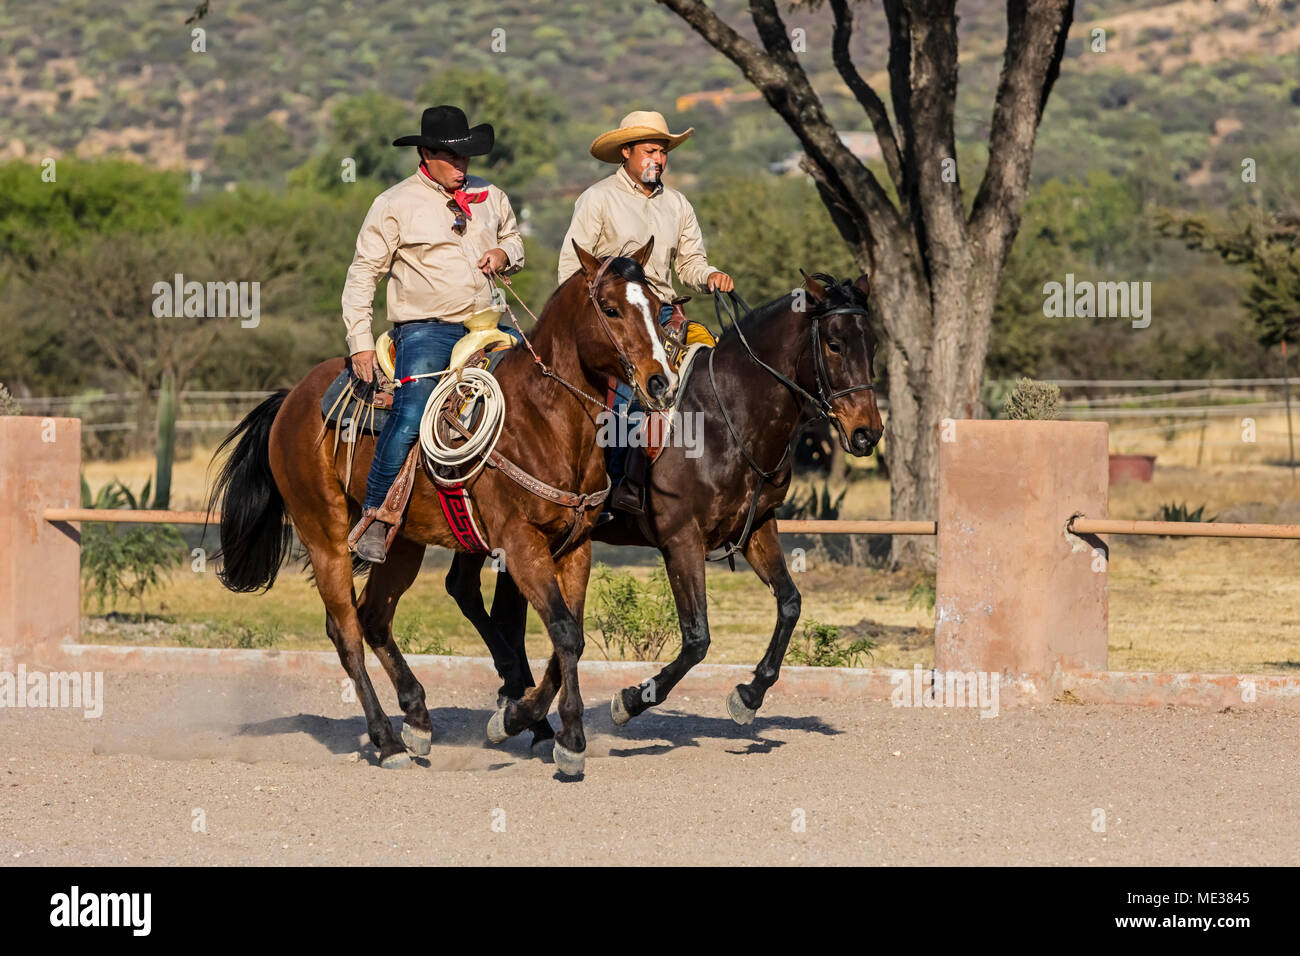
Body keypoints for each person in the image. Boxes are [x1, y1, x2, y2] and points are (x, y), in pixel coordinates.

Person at [342, 105, 525, 563]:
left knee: (542, 389)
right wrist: (360, 342)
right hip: (426, 331)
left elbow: (517, 242)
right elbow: (363, 275)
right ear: (425, 154)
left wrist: (504, 253)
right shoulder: (394, 204)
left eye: (466, 158)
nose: (462, 167)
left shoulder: (492, 196)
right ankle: (375, 518)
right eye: (452, 157)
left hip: (487, 326)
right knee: (410, 414)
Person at [557, 110, 733, 515]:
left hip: (666, 316)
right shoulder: (597, 199)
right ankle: (619, 487)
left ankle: (714, 483)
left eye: (663, 151)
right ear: (627, 152)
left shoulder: (678, 204)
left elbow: (690, 263)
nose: (659, 158)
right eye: (650, 150)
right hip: (613, 320)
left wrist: (711, 276)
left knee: (716, 379)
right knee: (629, 398)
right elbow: (571, 270)